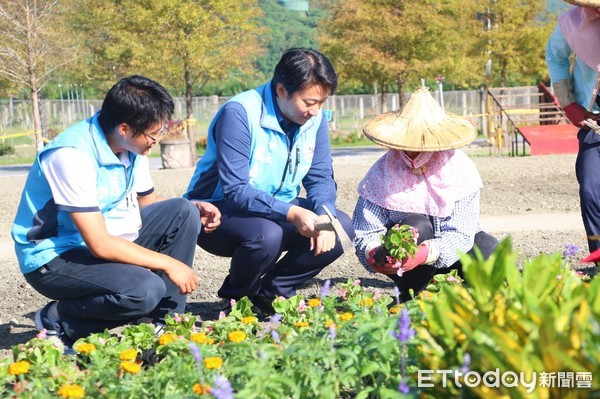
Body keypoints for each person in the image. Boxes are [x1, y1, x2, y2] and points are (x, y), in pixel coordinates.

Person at [12, 75, 220, 347]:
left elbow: (149, 201)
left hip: (102, 239)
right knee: (144, 290)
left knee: (182, 211)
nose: (157, 139)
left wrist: (195, 208)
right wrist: (169, 264)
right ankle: (57, 320)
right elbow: (98, 244)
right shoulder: (71, 155)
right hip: (53, 257)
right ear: (124, 128)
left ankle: (166, 325)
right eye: (154, 133)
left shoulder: (130, 147)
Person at [184, 48, 354, 313]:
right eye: (309, 102)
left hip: (278, 207)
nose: (315, 111)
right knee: (267, 234)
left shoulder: (315, 119)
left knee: (340, 226)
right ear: (281, 90)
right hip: (217, 211)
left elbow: (320, 177)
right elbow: (236, 190)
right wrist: (293, 212)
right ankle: (236, 299)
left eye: (321, 102)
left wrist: (324, 215)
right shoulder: (240, 113)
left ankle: (272, 292)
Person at [352, 86, 498, 302]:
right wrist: (374, 253)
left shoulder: (461, 170)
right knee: (416, 224)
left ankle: (466, 296)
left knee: (489, 248)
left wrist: (425, 254)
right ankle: (406, 298)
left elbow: (461, 233)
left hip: (452, 255)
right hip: (406, 266)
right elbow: (366, 230)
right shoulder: (382, 173)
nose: (414, 151)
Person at [546, 1, 600, 257]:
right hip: (594, 123)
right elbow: (555, 56)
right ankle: (599, 261)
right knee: (591, 190)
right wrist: (567, 102)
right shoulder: (573, 22)